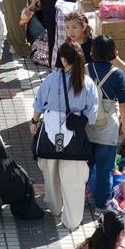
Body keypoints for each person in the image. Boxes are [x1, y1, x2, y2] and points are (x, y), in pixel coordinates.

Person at [30, 42, 98, 231]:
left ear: (63, 59)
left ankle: (55, 208)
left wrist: (34, 123)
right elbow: (91, 118)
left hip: (50, 134)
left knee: (50, 174)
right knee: (74, 180)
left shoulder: (52, 79)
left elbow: (38, 105)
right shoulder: (88, 83)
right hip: (74, 138)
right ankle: (72, 220)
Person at [85, 36, 125, 215]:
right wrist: (123, 126)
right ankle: (100, 207)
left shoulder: (86, 69)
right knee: (105, 170)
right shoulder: (117, 74)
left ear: (93, 51)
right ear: (113, 52)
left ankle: (75, 201)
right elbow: (124, 105)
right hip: (107, 127)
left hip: (86, 124)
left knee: (81, 167)